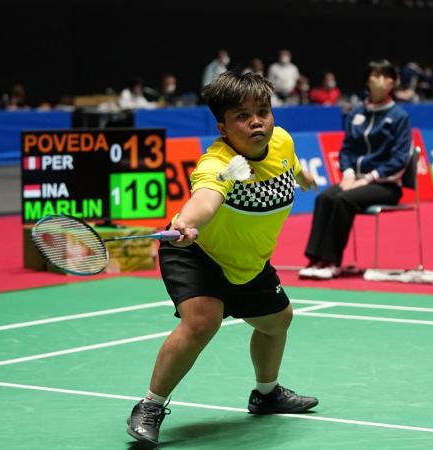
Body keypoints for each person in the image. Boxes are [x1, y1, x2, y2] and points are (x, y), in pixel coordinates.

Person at [126, 71, 318, 447]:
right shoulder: (219, 163)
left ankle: (266, 394)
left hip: (247, 261)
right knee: (203, 320)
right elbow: (205, 198)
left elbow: (287, 164)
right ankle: (150, 405)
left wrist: (304, 176)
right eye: (242, 117)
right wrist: (187, 223)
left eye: (262, 111)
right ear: (223, 127)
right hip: (198, 253)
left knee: (278, 321)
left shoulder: (281, 141)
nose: (256, 121)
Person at [300, 60, 411, 280]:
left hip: (385, 185)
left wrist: (368, 178)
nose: (380, 80)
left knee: (343, 200)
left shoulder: (399, 117)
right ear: (367, 81)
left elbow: (400, 159)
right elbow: (346, 150)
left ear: (392, 83)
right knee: (324, 197)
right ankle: (315, 259)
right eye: (375, 75)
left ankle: (331, 262)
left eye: (385, 76)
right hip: (354, 180)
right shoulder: (356, 113)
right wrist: (349, 173)